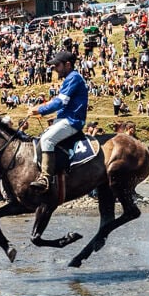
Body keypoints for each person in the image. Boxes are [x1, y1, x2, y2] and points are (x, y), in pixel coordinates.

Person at [28, 51, 88, 192]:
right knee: (42, 139)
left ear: (67, 65)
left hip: (72, 120)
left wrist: (40, 110)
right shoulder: (71, 78)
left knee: (47, 140)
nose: (54, 68)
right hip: (65, 119)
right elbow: (56, 100)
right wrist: (40, 107)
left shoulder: (73, 78)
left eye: (57, 65)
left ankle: (46, 178)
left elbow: (60, 102)